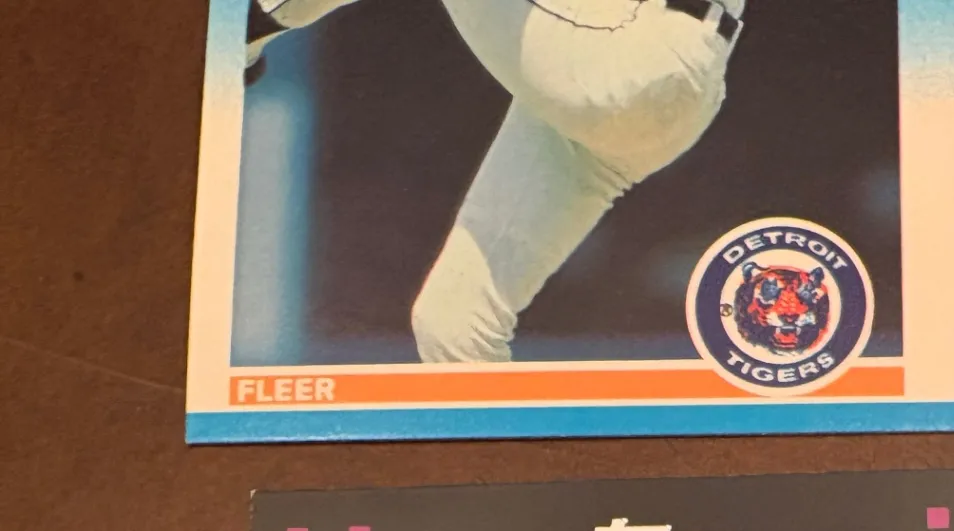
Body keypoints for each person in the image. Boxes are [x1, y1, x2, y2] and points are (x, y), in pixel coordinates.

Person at [244, 0, 741, 363]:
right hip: (650, 81)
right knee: (453, 324)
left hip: (640, 50)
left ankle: (250, 26)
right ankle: (518, 474)